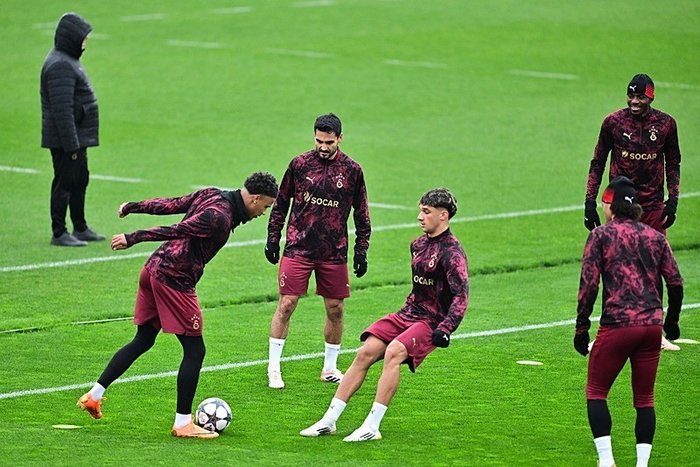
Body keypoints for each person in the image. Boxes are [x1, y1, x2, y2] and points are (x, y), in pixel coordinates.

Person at [76, 172, 278, 439]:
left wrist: (133, 206)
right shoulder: (220, 217)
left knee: (143, 340)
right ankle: (183, 423)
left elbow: (172, 203)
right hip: (174, 280)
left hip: (152, 270)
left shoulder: (211, 193)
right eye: (266, 207)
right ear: (255, 198)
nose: (263, 213)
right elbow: (177, 229)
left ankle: (94, 395)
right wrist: (132, 237)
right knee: (195, 351)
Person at [300, 188, 468, 442]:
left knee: (394, 352)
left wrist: (446, 328)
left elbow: (461, 295)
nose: (420, 217)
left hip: (432, 321)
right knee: (365, 352)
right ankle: (329, 421)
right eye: (420, 211)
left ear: (443, 215)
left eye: (426, 212)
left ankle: (372, 426)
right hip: (408, 312)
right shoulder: (418, 244)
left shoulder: (452, 253)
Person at [574, 176, 684, 467]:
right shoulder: (655, 237)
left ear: (610, 205)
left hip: (618, 324)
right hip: (651, 326)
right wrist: (671, 323)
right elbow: (675, 283)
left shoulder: (601, 236)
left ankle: (607, 460)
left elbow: (589, 286)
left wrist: (582, 329)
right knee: (645, 399)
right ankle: (642, 464)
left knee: (596, 391)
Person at [264, 113, 371, 389]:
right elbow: (281, 204)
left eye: (329, 142)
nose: (323, 147)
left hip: (333, 251)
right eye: (319, 141)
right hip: (298, 247)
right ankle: (273, 368)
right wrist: (273, 238)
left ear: (340, 138)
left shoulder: (352, 171)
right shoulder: (299, 164)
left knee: (336, 309)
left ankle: (330, 368)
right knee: (287, 304)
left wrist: (361, 250)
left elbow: (361, 213)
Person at [583, 73, 683, 351]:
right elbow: (597, 162)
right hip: (619, 207)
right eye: (631, 96)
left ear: (650, 97)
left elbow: (673, 163)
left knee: (655, 267)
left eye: (640, 97)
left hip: (652, 207)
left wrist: (673, 199)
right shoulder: (613, 123)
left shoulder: (665, 125)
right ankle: (605, 331)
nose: (634, 102)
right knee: (613, 267)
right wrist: (590, 201)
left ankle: (657, 333)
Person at [41, 12, 104, 247]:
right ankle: (59, 232)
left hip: (76, 137)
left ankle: (80, 227)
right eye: (83, 38)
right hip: (67, 140)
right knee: (65, 182)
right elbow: (62, 110)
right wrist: (72, 146)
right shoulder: (60, 65)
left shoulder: (67, 60)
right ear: (72, 38)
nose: (86, 42)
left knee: (80, 179)